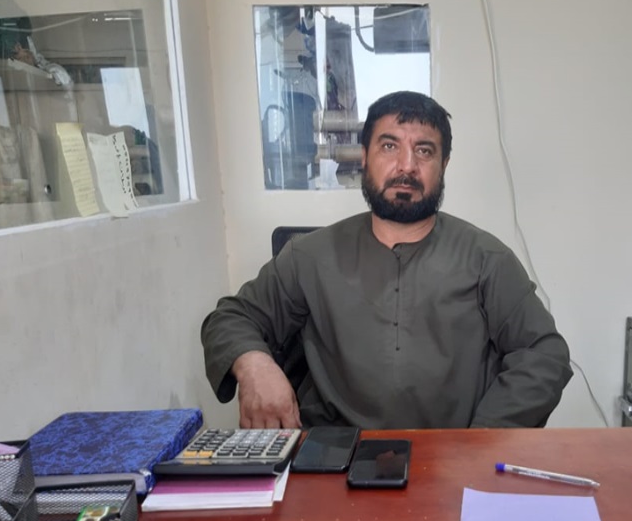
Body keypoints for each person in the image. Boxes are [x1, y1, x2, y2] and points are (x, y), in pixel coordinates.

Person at [201, 91, 572, 429]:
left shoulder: (487, 259)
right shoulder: (309, 256)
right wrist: (255, 365)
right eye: (390, 146)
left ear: (443, 165)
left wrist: (484, 437)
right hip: (333, 458)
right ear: (365, 157)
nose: (406, 166)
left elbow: (544, 353)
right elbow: (230, 318)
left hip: (451, 458)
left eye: (424, 151)